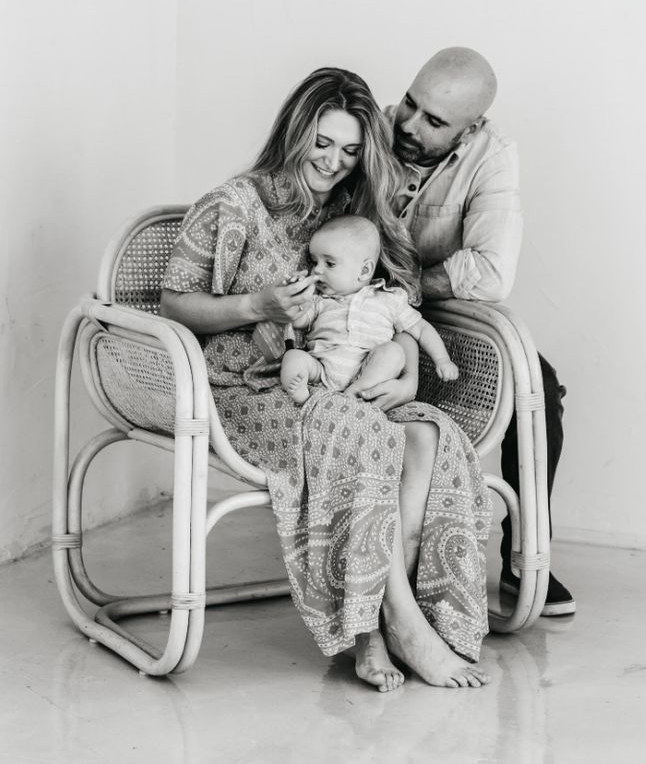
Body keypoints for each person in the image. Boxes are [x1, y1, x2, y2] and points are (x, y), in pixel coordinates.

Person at [160, 67, 494, 691]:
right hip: (251, 386)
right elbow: (173, 304)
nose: (334, 162)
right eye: (322, 143)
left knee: (430, 435)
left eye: (349, 150)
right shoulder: (234, 204)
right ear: (295, 131)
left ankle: (410, 614)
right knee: (364, 435)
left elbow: (399, 300)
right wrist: (256, 306)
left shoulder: (355, 208)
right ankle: (388, 628)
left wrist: (404, 358)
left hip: (345, 381)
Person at [381, 47, 575, 616]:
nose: (410, 126)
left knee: (538, 385)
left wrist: (407, 284)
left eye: (434, 122)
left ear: (472, 128)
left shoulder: (493, 156)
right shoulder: (371, 126)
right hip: (350, 309)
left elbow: (489, 273)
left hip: (432, 314)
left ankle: (525, 555)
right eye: (410, 105)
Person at [280, 214, 459, 405]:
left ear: (364, 271)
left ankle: (355, 392)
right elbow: (298, 321)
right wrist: (296, 296)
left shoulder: (389, 299)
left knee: (394, 352)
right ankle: (304, 396)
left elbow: (421, 329)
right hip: (320, 370)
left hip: (366, 372)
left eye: (329, 263)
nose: (317, 270)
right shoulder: (320, 300)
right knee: (293, 358)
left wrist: (442, 359)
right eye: (315, 262)